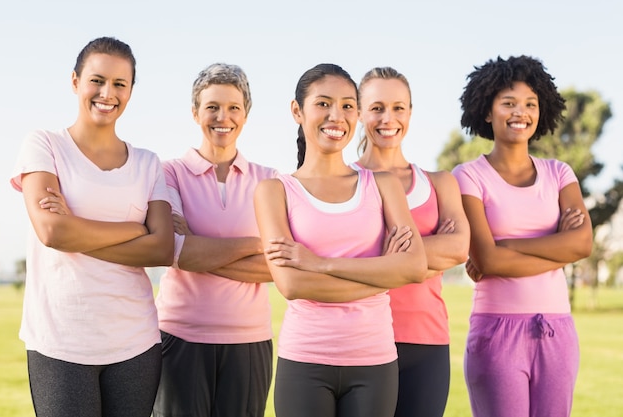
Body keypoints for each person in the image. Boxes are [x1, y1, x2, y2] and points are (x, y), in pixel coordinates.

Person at [10, 36, 174, 417]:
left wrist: (76, 228)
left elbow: (163, 249)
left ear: (131, 91)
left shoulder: (148, 163)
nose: (107, 93)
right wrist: (135, 229)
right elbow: (52, 232)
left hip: (135, 342)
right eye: (97, 80)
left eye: (120, 84)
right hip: (61, 342)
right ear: (75, 82)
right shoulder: (44, 145)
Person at [254, 63, 428, 417]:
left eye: (348, 105)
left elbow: (414, 267)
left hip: (374, 361)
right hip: (304, 361)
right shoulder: (274, 191)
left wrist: (321, 264)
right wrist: (381, 273)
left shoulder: (382, 185)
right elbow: (292, 283)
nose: (337, 115)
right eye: (323, 103)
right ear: (297, 111)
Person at [451, 55, 593, 417]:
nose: (521, 112)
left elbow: (583, 243)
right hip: (496, 333)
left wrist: (509, 246)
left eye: (530, 103)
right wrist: (557, 245)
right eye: (508, 103)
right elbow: (487, 260)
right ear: (487, 111)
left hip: (557, 331)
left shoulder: (559, 173)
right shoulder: (468, 177)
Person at [152, 63, 277, 417]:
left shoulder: (269, 180)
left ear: (246, 115)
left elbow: (278, 266)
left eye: (234, 107)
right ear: (195, 113)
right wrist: (257, 243)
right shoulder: (169, 172)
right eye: (212, 107)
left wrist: (200, 245)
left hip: (249, 341)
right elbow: (179, 252)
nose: (223, 117)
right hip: (181, 337)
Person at [354, 66, 470, 417]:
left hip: (427, 341)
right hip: (361, 339)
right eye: (376, 108)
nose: (388, 118)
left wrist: (384, 258)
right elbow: (336, 254)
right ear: (359, 112)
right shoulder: (345, 182)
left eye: (398, 108)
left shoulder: (439, 183)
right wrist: (429, 252)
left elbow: (460, 248)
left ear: (410, 112)